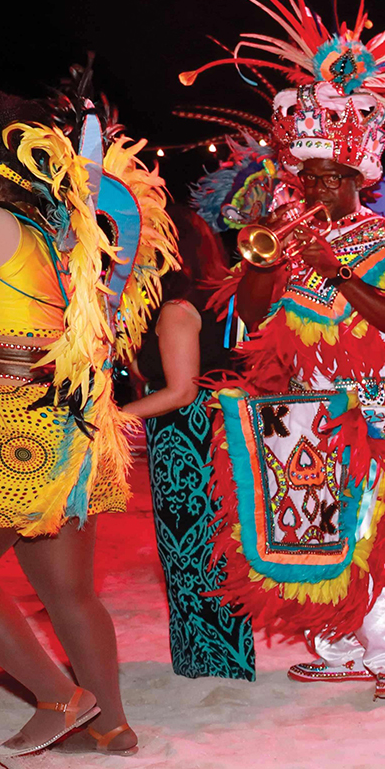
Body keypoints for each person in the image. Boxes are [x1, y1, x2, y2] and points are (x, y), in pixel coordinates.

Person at [188, 0, 385, 699]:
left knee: (367, 532)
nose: (318, 187)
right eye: (309, 177)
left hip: (374, 405)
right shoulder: (285, 240)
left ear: (362, 180)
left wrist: (336, 270)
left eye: (333, 179)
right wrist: (263, 262)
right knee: (310, 529)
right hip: (297, 401)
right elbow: (251, 320)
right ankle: (339, 645)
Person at [0, 82, 173, 760]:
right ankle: (111, 723)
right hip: (58, 433)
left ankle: (62, 698)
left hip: (12, 432)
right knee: (69, 594)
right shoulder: (48, 233)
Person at [124, 205, 254, 681]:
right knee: (208, 549)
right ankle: (216, 658)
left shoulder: (179, 309)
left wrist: (112, 418)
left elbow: (180, 390)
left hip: (188, 440)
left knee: (192, 549)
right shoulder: (217, 300)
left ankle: (212, 660)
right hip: (209, 434)